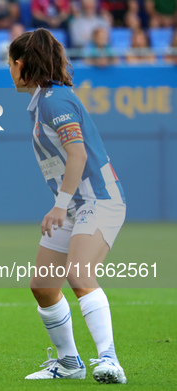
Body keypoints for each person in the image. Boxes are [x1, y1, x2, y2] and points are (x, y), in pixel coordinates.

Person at [8, 28, 127, 384]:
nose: (10, 71)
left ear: (22, 63)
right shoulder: (45, 99)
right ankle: (69, 363)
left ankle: (109, 359)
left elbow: (78, 154)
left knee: (78, 274)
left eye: (11, 63)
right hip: (75, 204)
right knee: (43, 285)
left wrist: (59, 206)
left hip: (99, 200)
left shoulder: (55, 101)